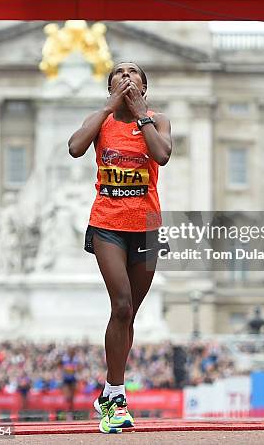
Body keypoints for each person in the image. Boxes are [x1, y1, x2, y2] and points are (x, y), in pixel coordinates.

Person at [68, 61, 172, 434]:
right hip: (108, 223)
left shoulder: (157, 121)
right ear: (111, 84)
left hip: (146, 226)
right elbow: (75, 148)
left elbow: (161, 155)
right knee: (122, 304)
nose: (126, 75)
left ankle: (108, 393)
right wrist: (110, 108)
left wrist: (141, 115)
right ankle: (115, 396)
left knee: (127, 316)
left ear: (144, 87)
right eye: (119, 72)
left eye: (134, 72)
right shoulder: (101, 119)